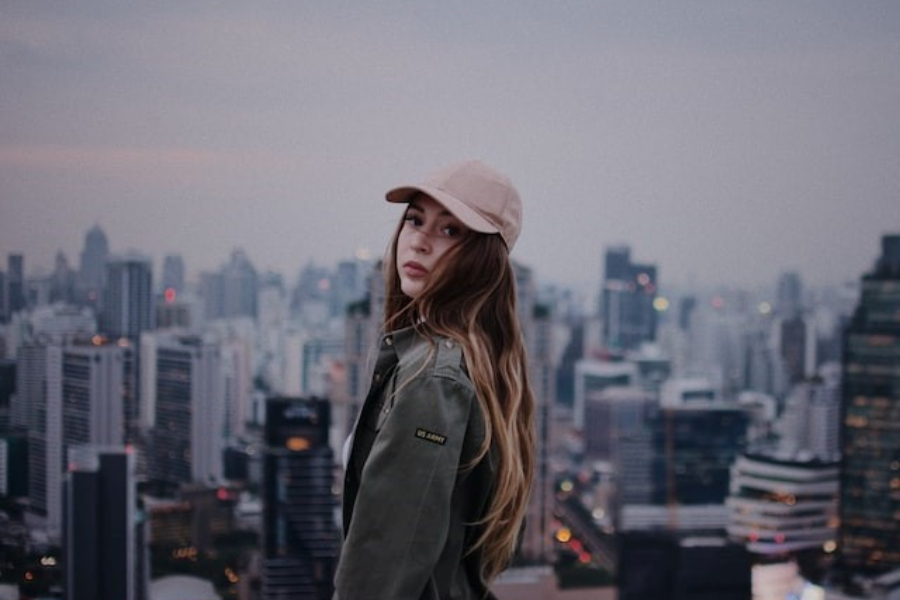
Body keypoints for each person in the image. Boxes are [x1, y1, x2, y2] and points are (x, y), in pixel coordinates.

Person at [333, 159, 537, 600]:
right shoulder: (471, 360)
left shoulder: (434, 378)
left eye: (450, 231)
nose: (420, 242)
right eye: (415, 219)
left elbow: (383, 557)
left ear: (484, 259)